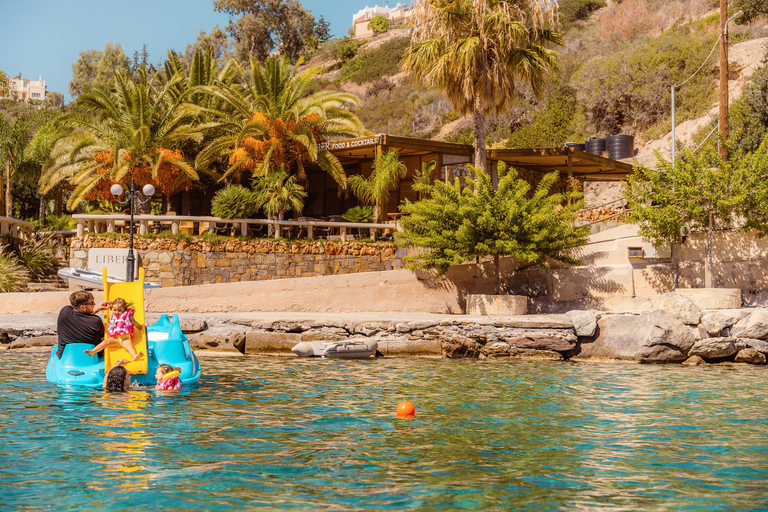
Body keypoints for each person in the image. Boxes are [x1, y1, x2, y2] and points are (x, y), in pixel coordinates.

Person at [56, 291, 112, 359]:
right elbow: (104, 336)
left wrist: (97, 309)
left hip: (66, 356)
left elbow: (80, 318)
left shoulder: (64, 312)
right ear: (82, 307)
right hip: (92, 357)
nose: (94, 304)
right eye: (91, 303)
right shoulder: (96, 321)